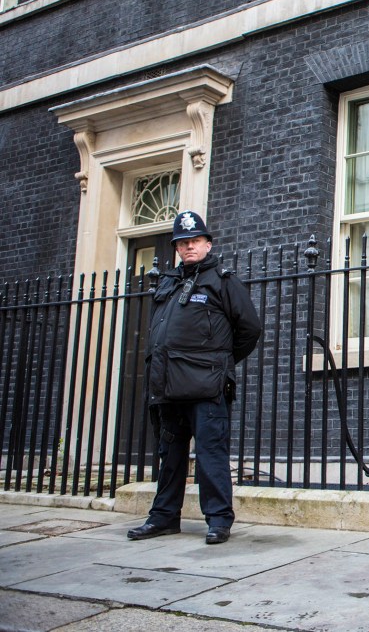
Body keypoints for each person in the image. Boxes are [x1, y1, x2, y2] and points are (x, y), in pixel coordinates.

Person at [127, 211, 261, 545]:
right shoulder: (169, 283)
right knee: (169, 457)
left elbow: (250, 329)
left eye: (195, 241)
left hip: (206, 386)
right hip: (169, 387)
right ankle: (164, 517)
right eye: (183, 242)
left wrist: (221, 362)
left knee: (210, 454)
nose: (189, 247)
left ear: (207, 243)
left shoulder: (223, 280)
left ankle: (218, 520)